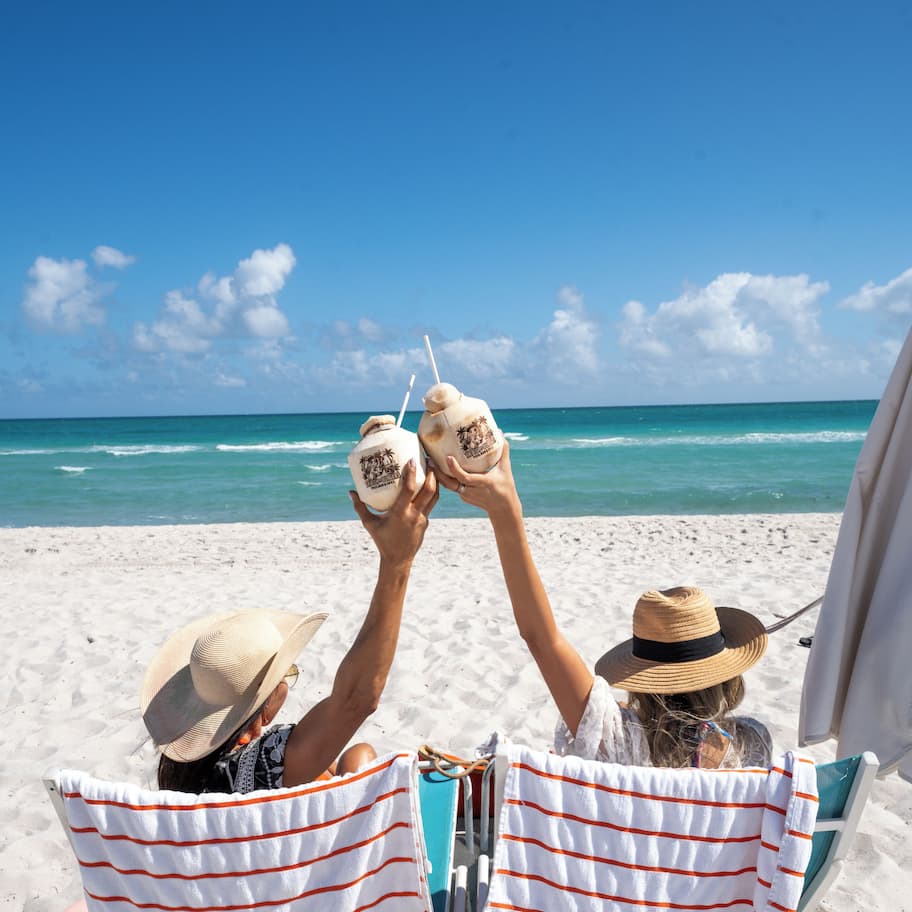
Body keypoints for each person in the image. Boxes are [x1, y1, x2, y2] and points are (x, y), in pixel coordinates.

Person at [434, 442, 772, 769]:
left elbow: (542, 638)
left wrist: (506, 513)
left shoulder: (616, 739)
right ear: (728, 679)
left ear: (642, 680)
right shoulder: (750, 745)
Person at [141, 460, 438, 793]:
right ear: (262, 705)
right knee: (360, 758)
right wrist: (398, 561)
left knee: (345, 758)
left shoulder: (183, 777)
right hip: (291, 843)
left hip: (237, 840)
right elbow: (357, 699)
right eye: (286, 672)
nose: (288, 674)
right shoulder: (266, 765)